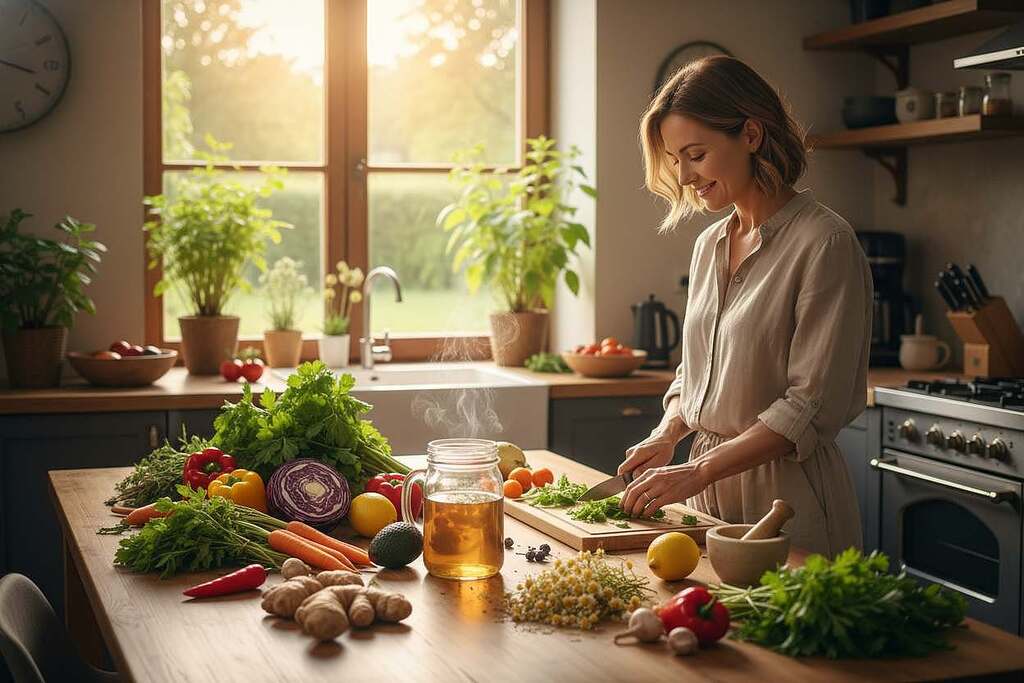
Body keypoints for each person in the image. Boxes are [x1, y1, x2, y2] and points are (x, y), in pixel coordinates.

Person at [618, 56, 871, 556]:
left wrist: (697, 469)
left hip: (785, 493)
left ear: (751, 134)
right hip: (704, 491)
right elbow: (696, 373)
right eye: (676, 160)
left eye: (696, 154)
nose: (686, 175)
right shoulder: (709, 244)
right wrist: (668, 434)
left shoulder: (825, 242)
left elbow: (808, 408)